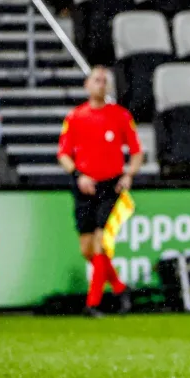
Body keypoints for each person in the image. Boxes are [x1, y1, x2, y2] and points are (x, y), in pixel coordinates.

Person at [56, 67, 144, 318]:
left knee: (99, 243)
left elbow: (137, 152)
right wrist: (78, 176)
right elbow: (63, 154)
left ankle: (92, 304)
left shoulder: (120, 116)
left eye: (105, 81)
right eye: (97, 80)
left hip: (110, 186)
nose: (101, 84)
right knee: (87, 249)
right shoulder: (75, 117)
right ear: (87, 84)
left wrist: (128, 175)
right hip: (84, 185)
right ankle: (119, 288)